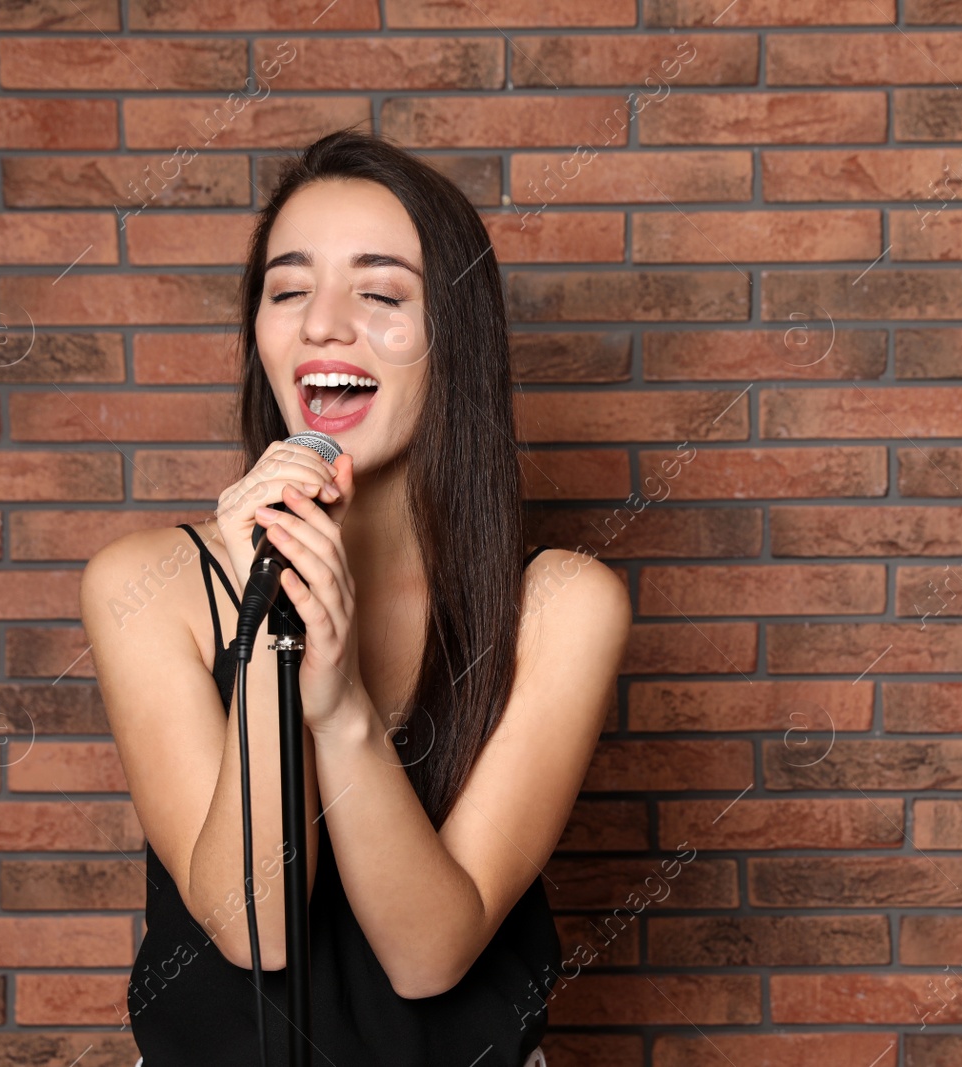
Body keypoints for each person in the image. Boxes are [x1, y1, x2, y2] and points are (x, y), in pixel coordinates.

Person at [79, 126, 632, 1067]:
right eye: (288, 290)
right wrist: (270, 625)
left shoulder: (560, 606)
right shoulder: (145, 586)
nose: (322, 323)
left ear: (455, 339)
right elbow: (257, 931)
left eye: (380, 294)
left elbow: (430, 954)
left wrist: (337, 710)